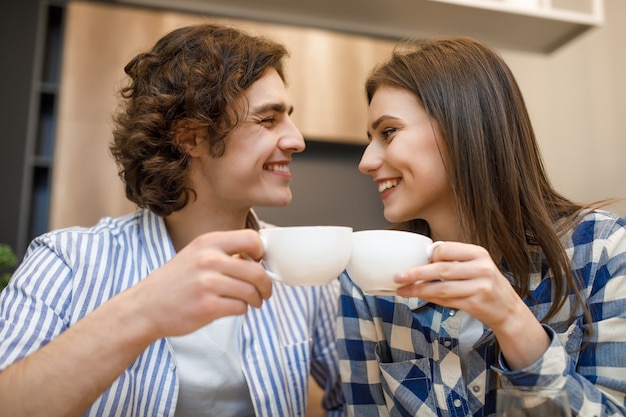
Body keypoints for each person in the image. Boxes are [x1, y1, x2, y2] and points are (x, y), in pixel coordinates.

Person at [0, 23, 343, 417]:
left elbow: (354, 403)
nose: (297, 140)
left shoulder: (302, 268)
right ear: (191, 138)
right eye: (268, 120)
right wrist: (144, 312)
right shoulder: (67, 261)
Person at [337, 36, 626, 417]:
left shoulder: (601, 250)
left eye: (388, 132)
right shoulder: (368, 276)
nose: (367, 161)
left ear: (463, 127)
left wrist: (511, 321)